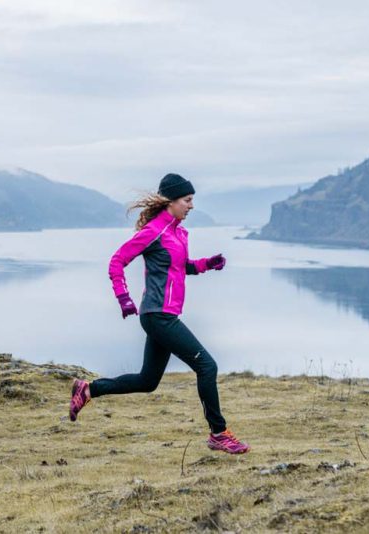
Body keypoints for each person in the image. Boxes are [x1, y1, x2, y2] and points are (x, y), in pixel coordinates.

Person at [68, 173, 250, 454]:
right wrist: (124, 298)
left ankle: (88, 389)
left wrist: (207, 264)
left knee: (147, 381)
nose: (191, 206)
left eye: (192, 201)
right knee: (207, 366)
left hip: (163, 315)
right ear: (171, 201)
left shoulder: (177, 233)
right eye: (187, 200)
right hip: (157, 316)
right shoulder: (154, 232)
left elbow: (181, 267)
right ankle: (218, 433)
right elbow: (117, 261)